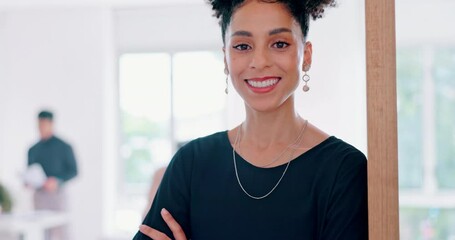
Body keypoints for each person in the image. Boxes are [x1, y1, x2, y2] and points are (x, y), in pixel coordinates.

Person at [134, 0, 368, 239]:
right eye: (243, 46)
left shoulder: (344, 170)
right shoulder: (192, 164)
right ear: (226, 58)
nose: (260, 61)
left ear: (305, 55)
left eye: (279, 44)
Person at [27, 110, 78, 240]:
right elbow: (29, 171)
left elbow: (74, 171)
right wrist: (28, 181)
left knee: (62, 232)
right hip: (39, 196)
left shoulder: (64, 146)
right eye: (39, 125)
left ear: (51, 124)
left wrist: (57, 181)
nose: (41, 128)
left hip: (57, 195)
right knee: (42, 232)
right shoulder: (32, 149)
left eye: (44, 124)